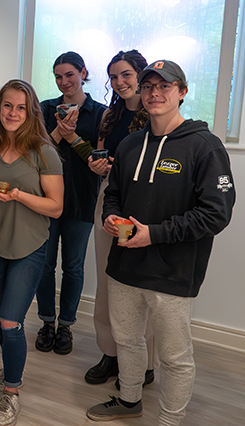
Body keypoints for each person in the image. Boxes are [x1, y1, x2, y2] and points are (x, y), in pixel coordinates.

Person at [86, 60, 235, 425]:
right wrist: (111, 215)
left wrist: (155, 234)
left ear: (182, 92)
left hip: (173, 271)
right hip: (125, 265)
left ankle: (170, 419)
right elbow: (115, 193)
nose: (155, 93)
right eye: (149, 86)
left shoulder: (205, 147)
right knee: (128, 341)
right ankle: (129, 399)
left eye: (165, 86)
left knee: (173, 357)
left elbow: (216, 214)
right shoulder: (131, 145)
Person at [0, 79, 63, 425]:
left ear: (31, 112)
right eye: (7, 105)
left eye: (21, 107)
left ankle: (11, 390)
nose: (13, 112)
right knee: (2, 317)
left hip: (29, 247)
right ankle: (10, 367)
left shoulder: (44, 152)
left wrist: (18, 196)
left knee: (11, 322)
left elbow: (56, 207)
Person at [84, 50, 154, 387]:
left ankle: (145, 361)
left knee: (140, 283)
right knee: (108, 279)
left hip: (138, 207)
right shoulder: (110, 117)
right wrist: (99, 167)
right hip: (109, 202)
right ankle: (110, 354)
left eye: (126, 74)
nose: (119, 82)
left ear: (140, 75)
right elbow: (102, 156)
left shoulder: (156, 115)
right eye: (113, 76)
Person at [35, 51, 105, 355]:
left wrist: (72, 136)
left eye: (70, 75)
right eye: (58, 76)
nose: (64, 82)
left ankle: (66, 326)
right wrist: (57, 133)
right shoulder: (45, 108)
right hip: (47, 200)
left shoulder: (101, 113)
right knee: (44, 265)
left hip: (82, 199)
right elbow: (35, 152)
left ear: (83, 73)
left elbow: (97, 159)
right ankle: (47, 322)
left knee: (74, 267)